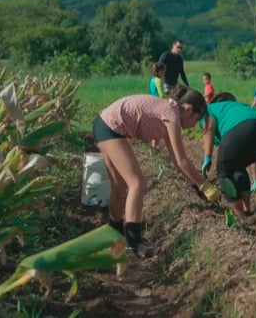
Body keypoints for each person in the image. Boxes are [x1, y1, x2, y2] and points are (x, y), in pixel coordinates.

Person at [92, 87, 221, 256]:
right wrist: (205, 186)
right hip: (111, 128)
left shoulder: (169, 112)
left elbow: (177, 160)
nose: (193, 126)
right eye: (196, 120)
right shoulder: (171, 114)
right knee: (137, 184)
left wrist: (196, 184)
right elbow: (182, 160)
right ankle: (134, 243)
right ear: (188, 109)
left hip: (103, 125)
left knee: (120, 186)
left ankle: (114, 232)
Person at [200, 100, 256, 217]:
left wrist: (207, 157)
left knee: (223, 172)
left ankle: (240, 216)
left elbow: (208, 128)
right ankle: (247, 210)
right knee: (237, 167)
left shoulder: (205, 111)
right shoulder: (232, 107)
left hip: (242, 128)